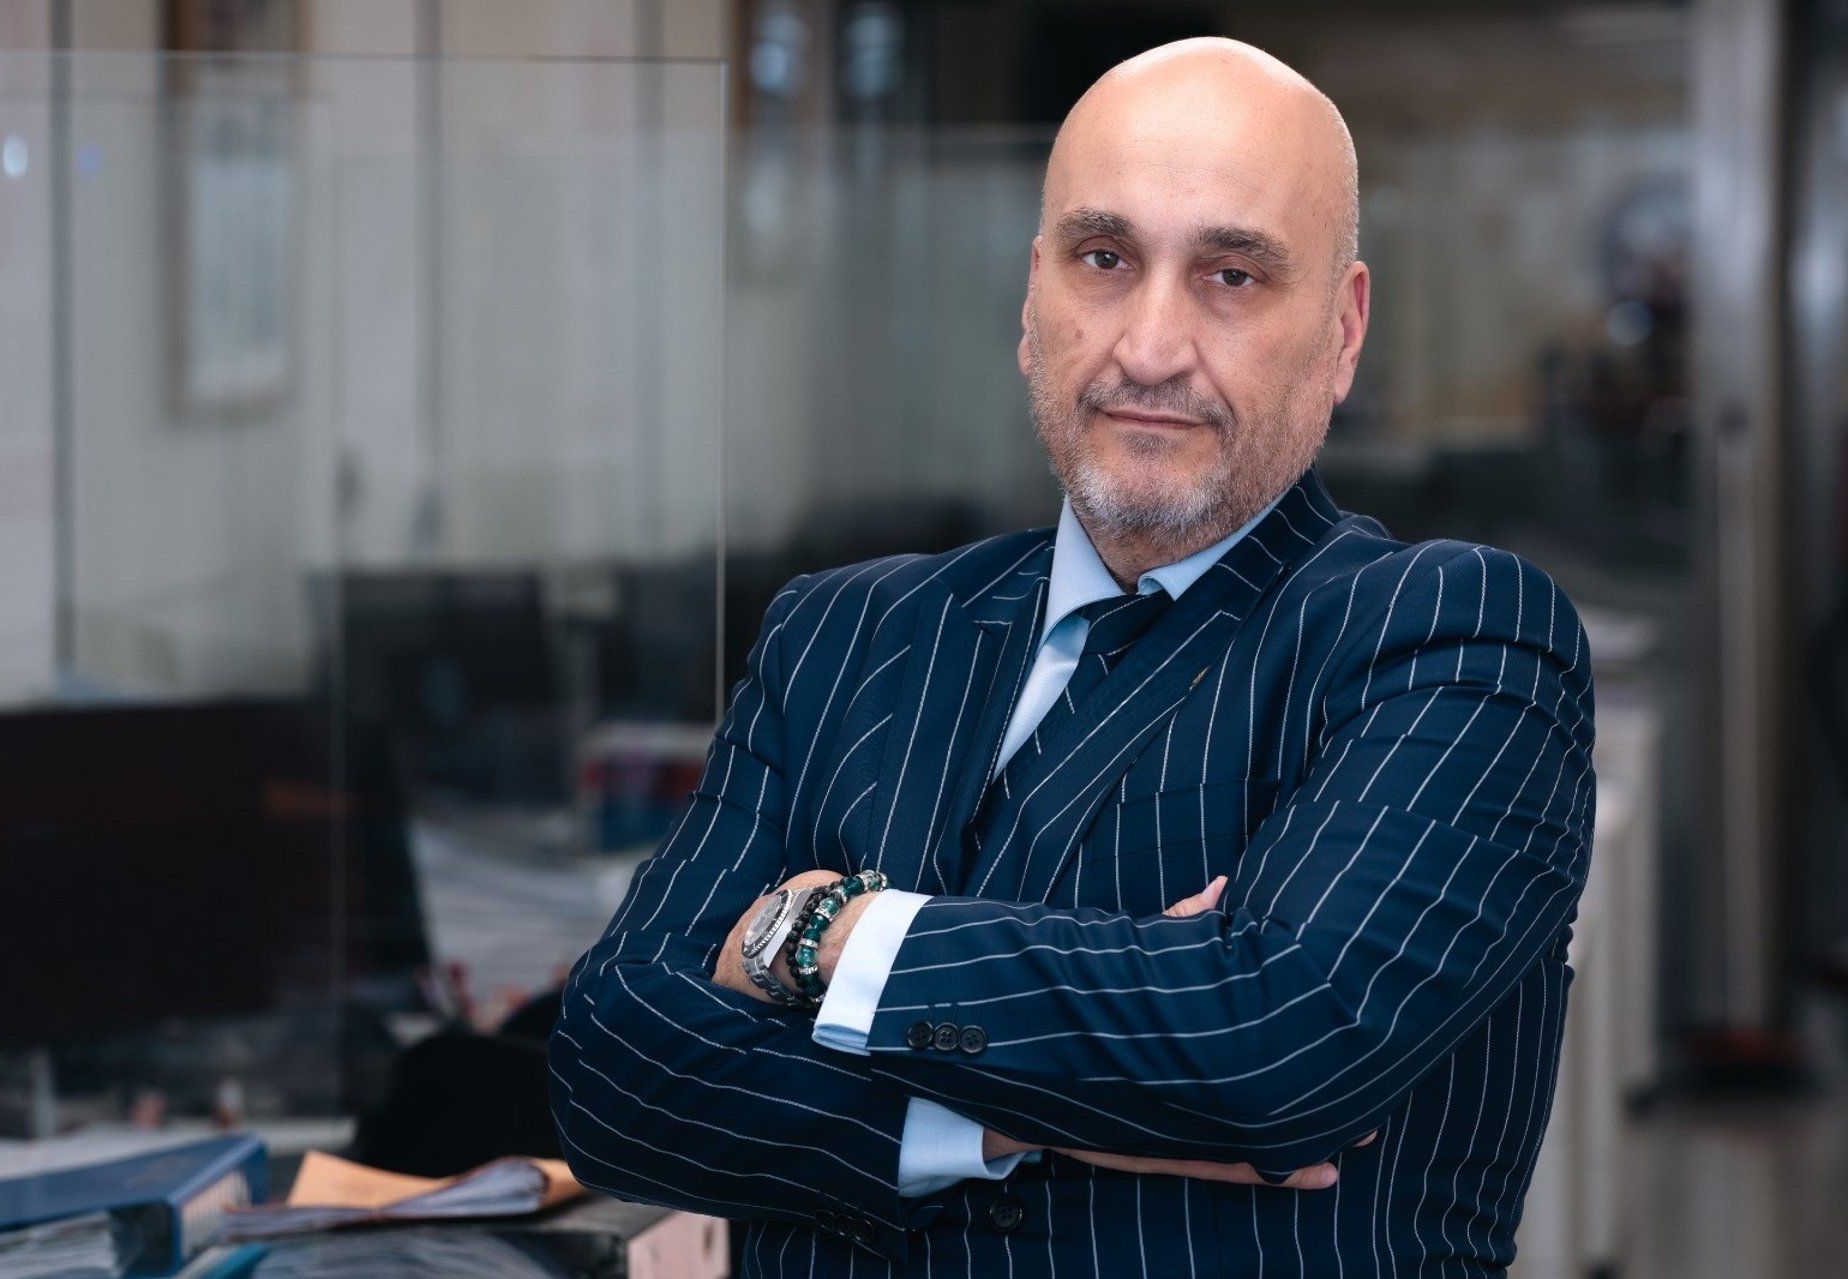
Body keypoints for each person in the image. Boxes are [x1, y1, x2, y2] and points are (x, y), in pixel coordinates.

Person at [550, 36, 1593, 1278]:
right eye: (1105, 259)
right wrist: (996, 1118)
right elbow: (614, 1074)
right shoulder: (841, 635)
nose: (1149, 347)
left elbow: (1275, 1048)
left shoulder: (1456, 637)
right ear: (1031, 300)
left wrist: (823, 932)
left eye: (1232, 276)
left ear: (1343, 329)